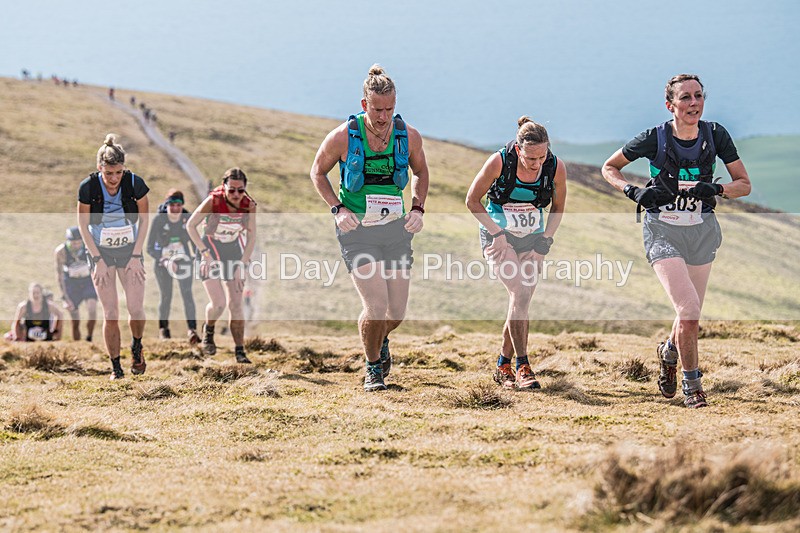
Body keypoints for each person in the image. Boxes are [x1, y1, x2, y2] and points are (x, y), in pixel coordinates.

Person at [601, 74, 751, 408]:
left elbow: (744, 184)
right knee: (689, 311)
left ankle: (669, 353)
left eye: (698, 96)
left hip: (701, 231)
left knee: (689, 314)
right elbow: (609, 168)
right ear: (670, 105)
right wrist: (633, 190)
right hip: (662, 230)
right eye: (685, 98)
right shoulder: (654, 138)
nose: (693, 103)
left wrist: (716, 189)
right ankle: (692, 385)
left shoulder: (715, 135)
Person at [310, 64, 429, 392]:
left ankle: (379, 341)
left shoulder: (408, 135)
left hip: (395, 230)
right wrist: (337, 209)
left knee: (396, 312)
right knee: (375, 306)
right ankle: (372, 368)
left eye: (390, 109)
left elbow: (420, 172)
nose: (383, 116)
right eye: (377, 110)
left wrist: (418, 207)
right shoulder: (343, 136)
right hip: (357, 231)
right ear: (365, 105)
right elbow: (317, 173)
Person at [466, 117, 567, 390]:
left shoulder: (555, 167)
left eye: (542, 157)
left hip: (533, 239)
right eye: (531, 158)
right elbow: (472, 200)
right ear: (519, 150)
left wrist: (544, 243)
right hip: (499, 236)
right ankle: (523, 365)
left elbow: (557, 208)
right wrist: (496, 234)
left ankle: (503, 364)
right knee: (520, 293)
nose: (537, 164)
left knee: (519, 301)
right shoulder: (499, 162)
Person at [77, 134, 150, 379]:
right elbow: (82, 224)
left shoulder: (135, 184)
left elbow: (144, 220)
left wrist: (137, 255)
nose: (114, 179)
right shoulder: (88, 187)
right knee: (110, 313)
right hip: (101, 252)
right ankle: (116, 367)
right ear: (100, 168)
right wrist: (96, 259)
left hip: (130, 249)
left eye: (118, 172)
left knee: (136, 308)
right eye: (109, 173)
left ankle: (137, 345)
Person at [187, 168, 257, 363]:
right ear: (224, 187)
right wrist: (204, 253)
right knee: (218, 304)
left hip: (232, 251)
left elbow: (251, 237)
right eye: (232, 190)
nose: (236, 195)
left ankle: (240, 351)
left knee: (236, 304)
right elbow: (190, 226)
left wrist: (242, 265)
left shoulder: (249, 205)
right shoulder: (213, 201)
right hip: (209, 249)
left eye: (240, 190)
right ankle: (208, 330)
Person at [146, 189, 200, 344]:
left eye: (178, 205)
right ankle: (164, 329)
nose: (175, 208)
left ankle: (192, 330)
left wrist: (197, 257)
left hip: (183, 260)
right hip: (163, 262)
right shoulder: (159, 220)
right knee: (166, 296)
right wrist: (164, 260)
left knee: (187, 293)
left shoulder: (187, 219)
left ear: (182, 205)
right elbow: (149, 247)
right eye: (171, 205)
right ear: (166, 204)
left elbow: (195, 241)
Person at [54, 226, 98, 341]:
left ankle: (89, 337)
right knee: (75, 318)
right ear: (68, 242)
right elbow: (59, 275)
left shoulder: (88, 246)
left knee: (92, 310)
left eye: (79, 243)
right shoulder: (61, 251)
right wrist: (65, 296)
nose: (77, 246)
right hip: (71, 282)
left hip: (88, 280)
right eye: (74, 243)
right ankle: (77, 342)